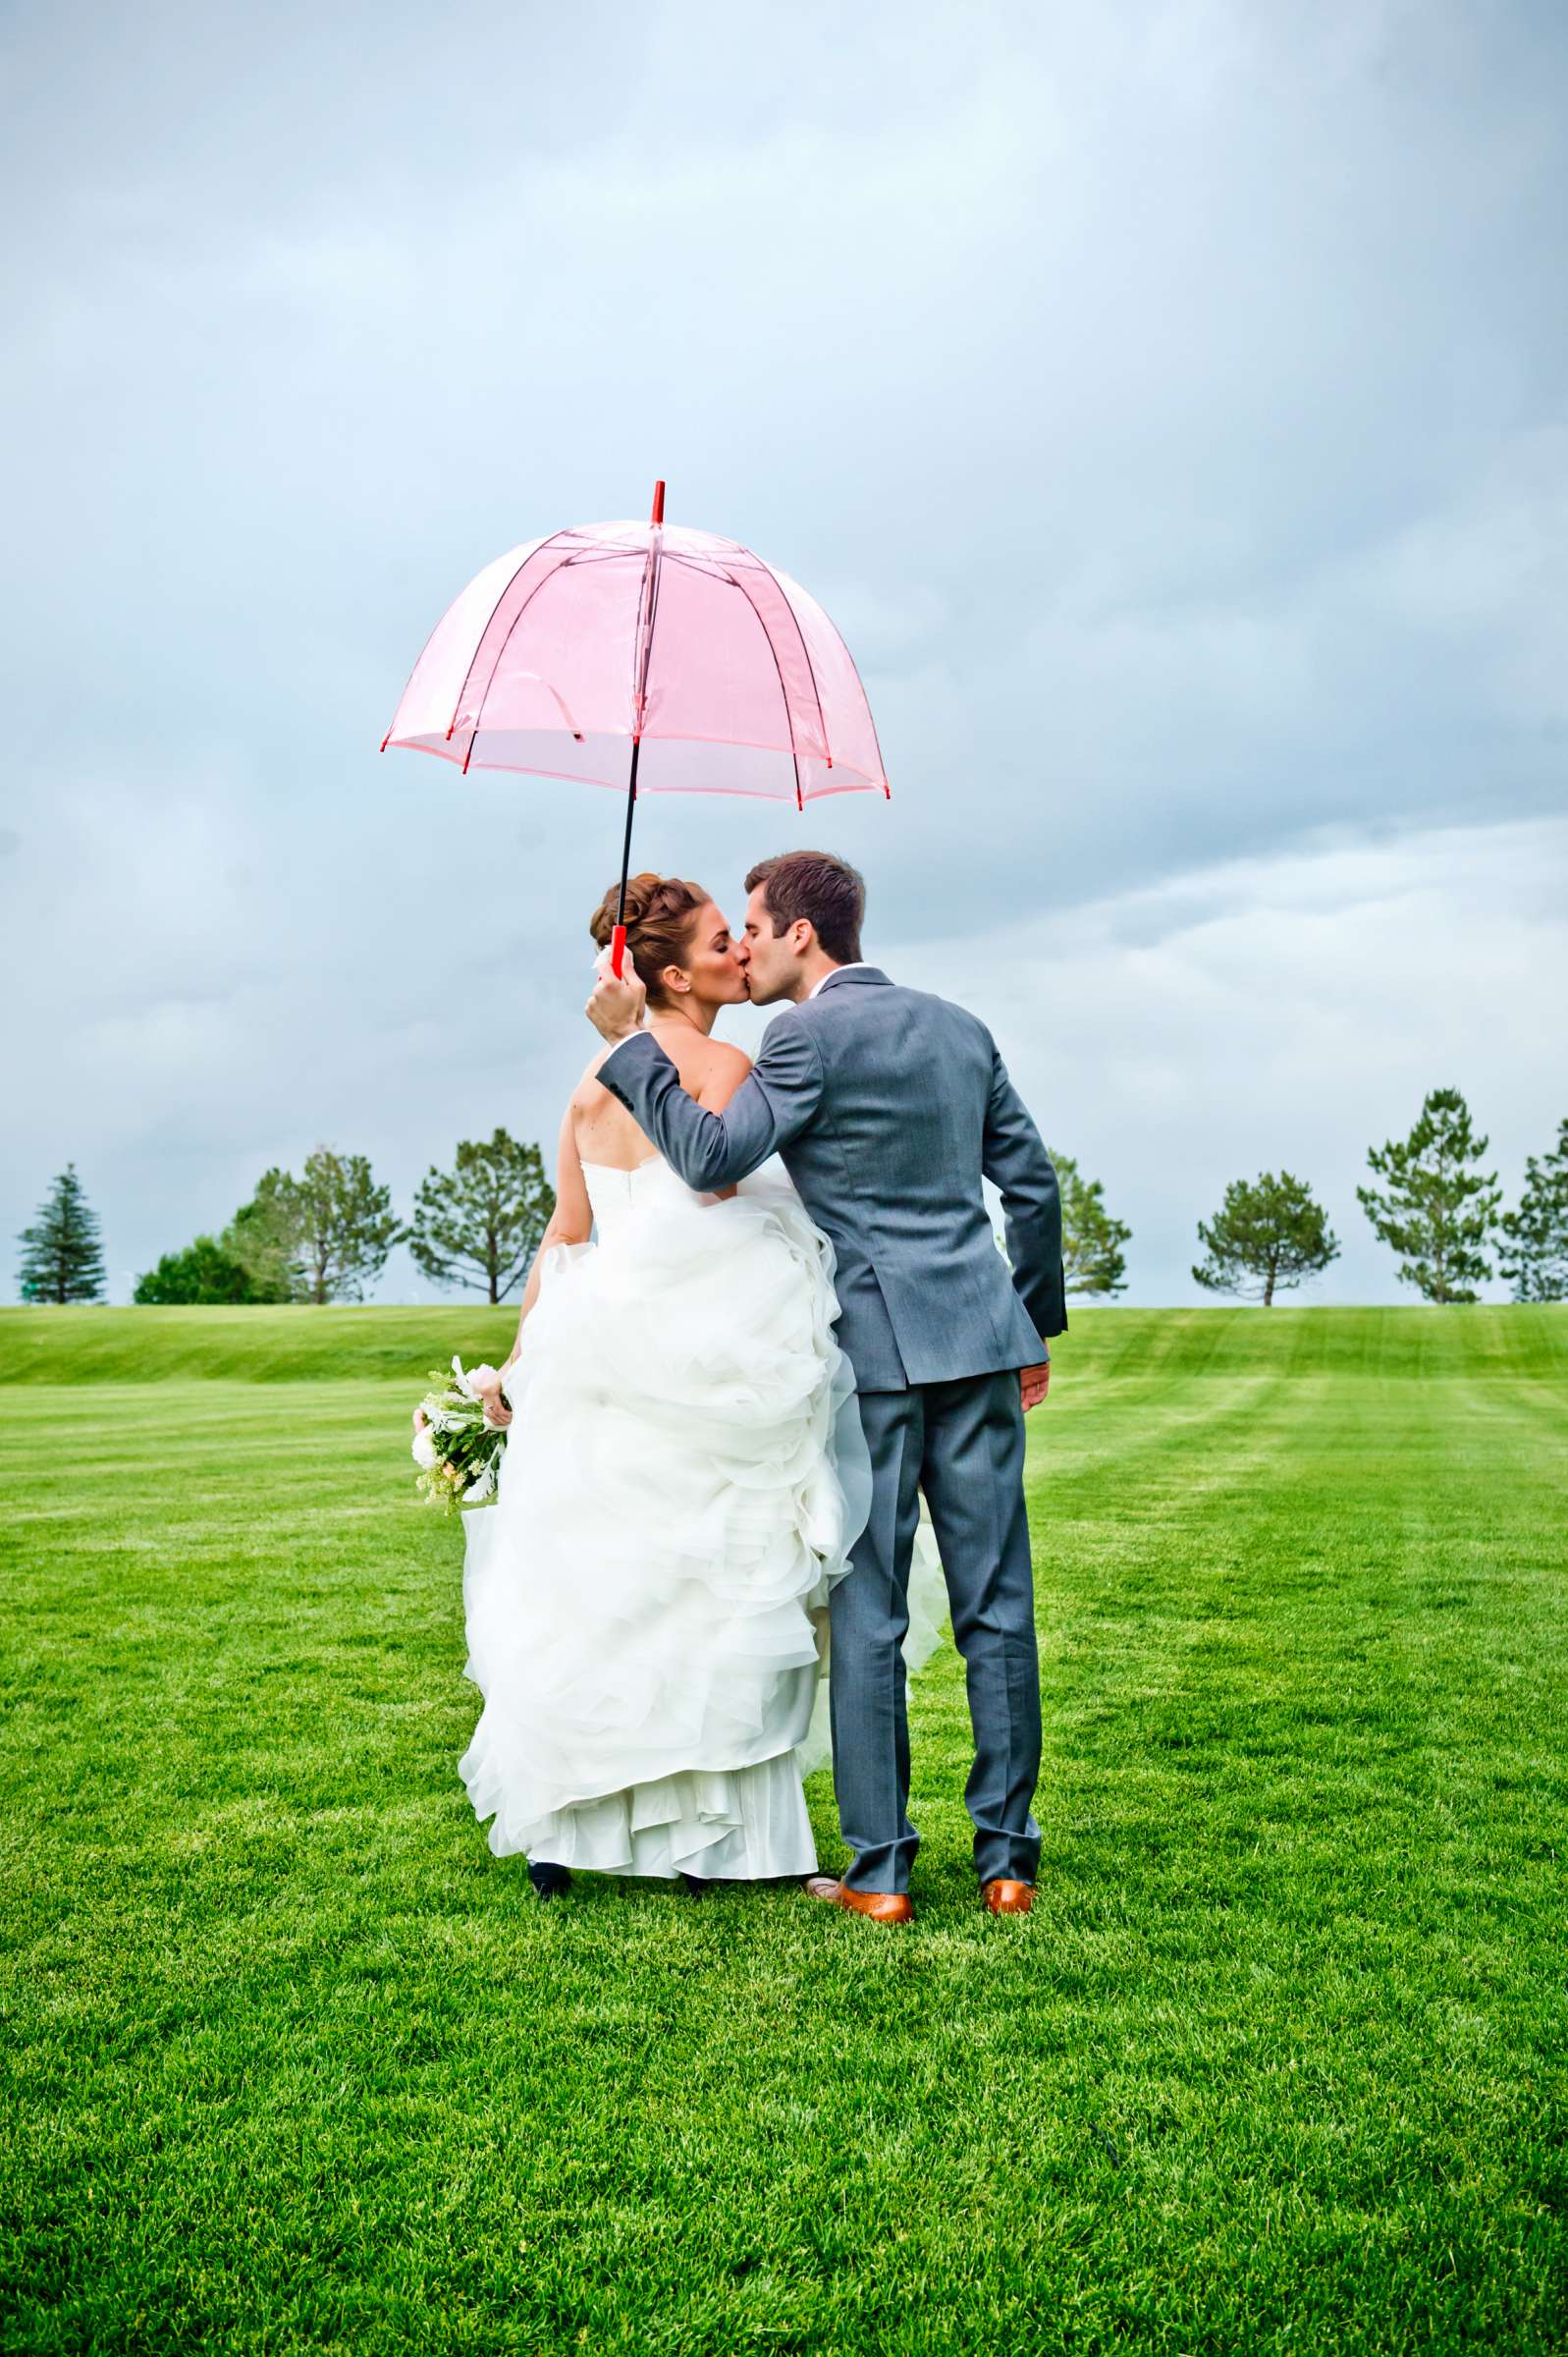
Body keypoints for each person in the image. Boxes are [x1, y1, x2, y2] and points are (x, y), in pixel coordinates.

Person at [587, 849, 1064, 1925]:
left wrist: (629, 1044)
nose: (742, 944)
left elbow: (712, 1159)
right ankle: (1007, 1865)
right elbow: (1029, 1185)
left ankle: (884, 1872)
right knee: (1000, 1606)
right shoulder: (958, 1025)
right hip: (985, 1341)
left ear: (803, 933)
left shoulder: (799, 1036)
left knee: (869, 1613)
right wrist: (1030, 1323)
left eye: (753, 926)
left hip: (878, 1362)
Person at [459, 872, 935, 1898]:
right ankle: (712, 1838)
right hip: (711, 1348)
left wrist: (528, 1352)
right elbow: (714, 1177)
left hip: (600, 1351)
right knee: (708, 1590)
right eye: (724, 939)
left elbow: (567, 1234)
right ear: (672, 973)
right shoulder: (724, 1063)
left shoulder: (590, 1082)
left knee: (603, 1588)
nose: (740, 951)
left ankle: (572, 1831)